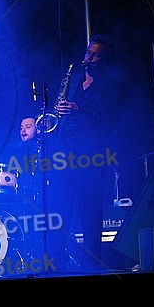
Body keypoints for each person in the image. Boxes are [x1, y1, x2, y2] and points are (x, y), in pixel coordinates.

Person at [46, 33, 124, 273]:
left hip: (91, 155)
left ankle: (92, 263)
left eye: (96, 54)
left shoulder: (110, 87)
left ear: (104, 59)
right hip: (64, 152)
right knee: (60, 207)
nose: (90, 57)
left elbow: (107, 120)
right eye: (88, 53)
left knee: (89, 209)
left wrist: (78, 110)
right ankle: (56, 261)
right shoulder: (74, 80)